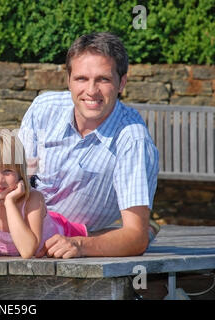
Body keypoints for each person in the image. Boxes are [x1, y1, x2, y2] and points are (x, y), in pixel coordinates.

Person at [18, 32, 159, 259]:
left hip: (66, 239)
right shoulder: (44, 108)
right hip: (23, 228)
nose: (91, 90)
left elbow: (135, 237)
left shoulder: (132, 139)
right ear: (68, 80)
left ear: (121, 82)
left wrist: (80, 245)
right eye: (81, 79)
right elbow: (15, 178)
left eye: (103, 79)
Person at [0, 129, 87, 259]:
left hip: (64, 236)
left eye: (7, 171)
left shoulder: (33, 199)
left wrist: (10, 203)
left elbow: (27, 250)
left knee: (92, 235)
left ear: (20, 173)